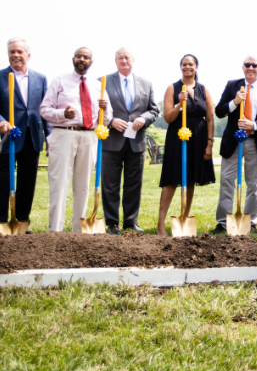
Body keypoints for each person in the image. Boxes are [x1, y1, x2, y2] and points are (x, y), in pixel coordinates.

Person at [40, 47, 112, 232]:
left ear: (91, 61)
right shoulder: (60, 81)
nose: (82, 59)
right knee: (60, 183)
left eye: (86, 57)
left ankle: (77, 232)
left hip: (89, 136)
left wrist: (105, 108)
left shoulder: (98, 86)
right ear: (73, 59)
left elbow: (106, 119)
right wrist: (62, 113)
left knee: (83, 186)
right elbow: (44, 110)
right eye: (79, 56)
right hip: (64, 133)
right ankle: (55, 230)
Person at [212, 56, 257, 234]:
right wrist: (234, 102)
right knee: (227, 180)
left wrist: (254, 125)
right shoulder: (232, 85)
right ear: (242, 68)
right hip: (233, 141)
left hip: (256, 141)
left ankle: (250, 222)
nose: (250, 68)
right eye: (247, 65)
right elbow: (219, 111)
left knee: (254, 183)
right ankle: (223, 222)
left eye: (254, 65)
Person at [101, 48, 160, 235]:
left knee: (134, 184)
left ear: (133, 60)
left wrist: (144, 118)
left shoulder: (146, 84)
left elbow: (154, 110)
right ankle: (112, 223)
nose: (124, 60)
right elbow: (95, 108)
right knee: (110, 184)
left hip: (137, 142)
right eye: (120, 58)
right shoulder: (103, 82)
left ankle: (130, 222)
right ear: (115, 61)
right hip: (112, 141)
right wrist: (110, 121)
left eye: (127, 57)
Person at [157, 54, 215, 237]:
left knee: (191, 178)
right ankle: (160, 224)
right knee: (171, 179)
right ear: (180, 67)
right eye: (184, 64)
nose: (187, 67)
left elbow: (210, 118)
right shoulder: (172, 88)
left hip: (198, 139)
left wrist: (209, 144)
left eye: (190, 64)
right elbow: (167, 118)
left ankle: (185, 216)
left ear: (196, 67)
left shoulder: (203, 89)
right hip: (177, 138)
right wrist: (178, 105)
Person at [0, 38, 50, 228]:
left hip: (32, 137)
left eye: (20, 52)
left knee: (27, 182)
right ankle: (2, 221)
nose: (15, 55)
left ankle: (22, 222)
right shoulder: (0, 76)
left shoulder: (40, 78)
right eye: (12, 52)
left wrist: (49, 137)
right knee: (3, 181)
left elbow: (45, 110)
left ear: (28, 55)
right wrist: (1, 121)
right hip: (7, 137)